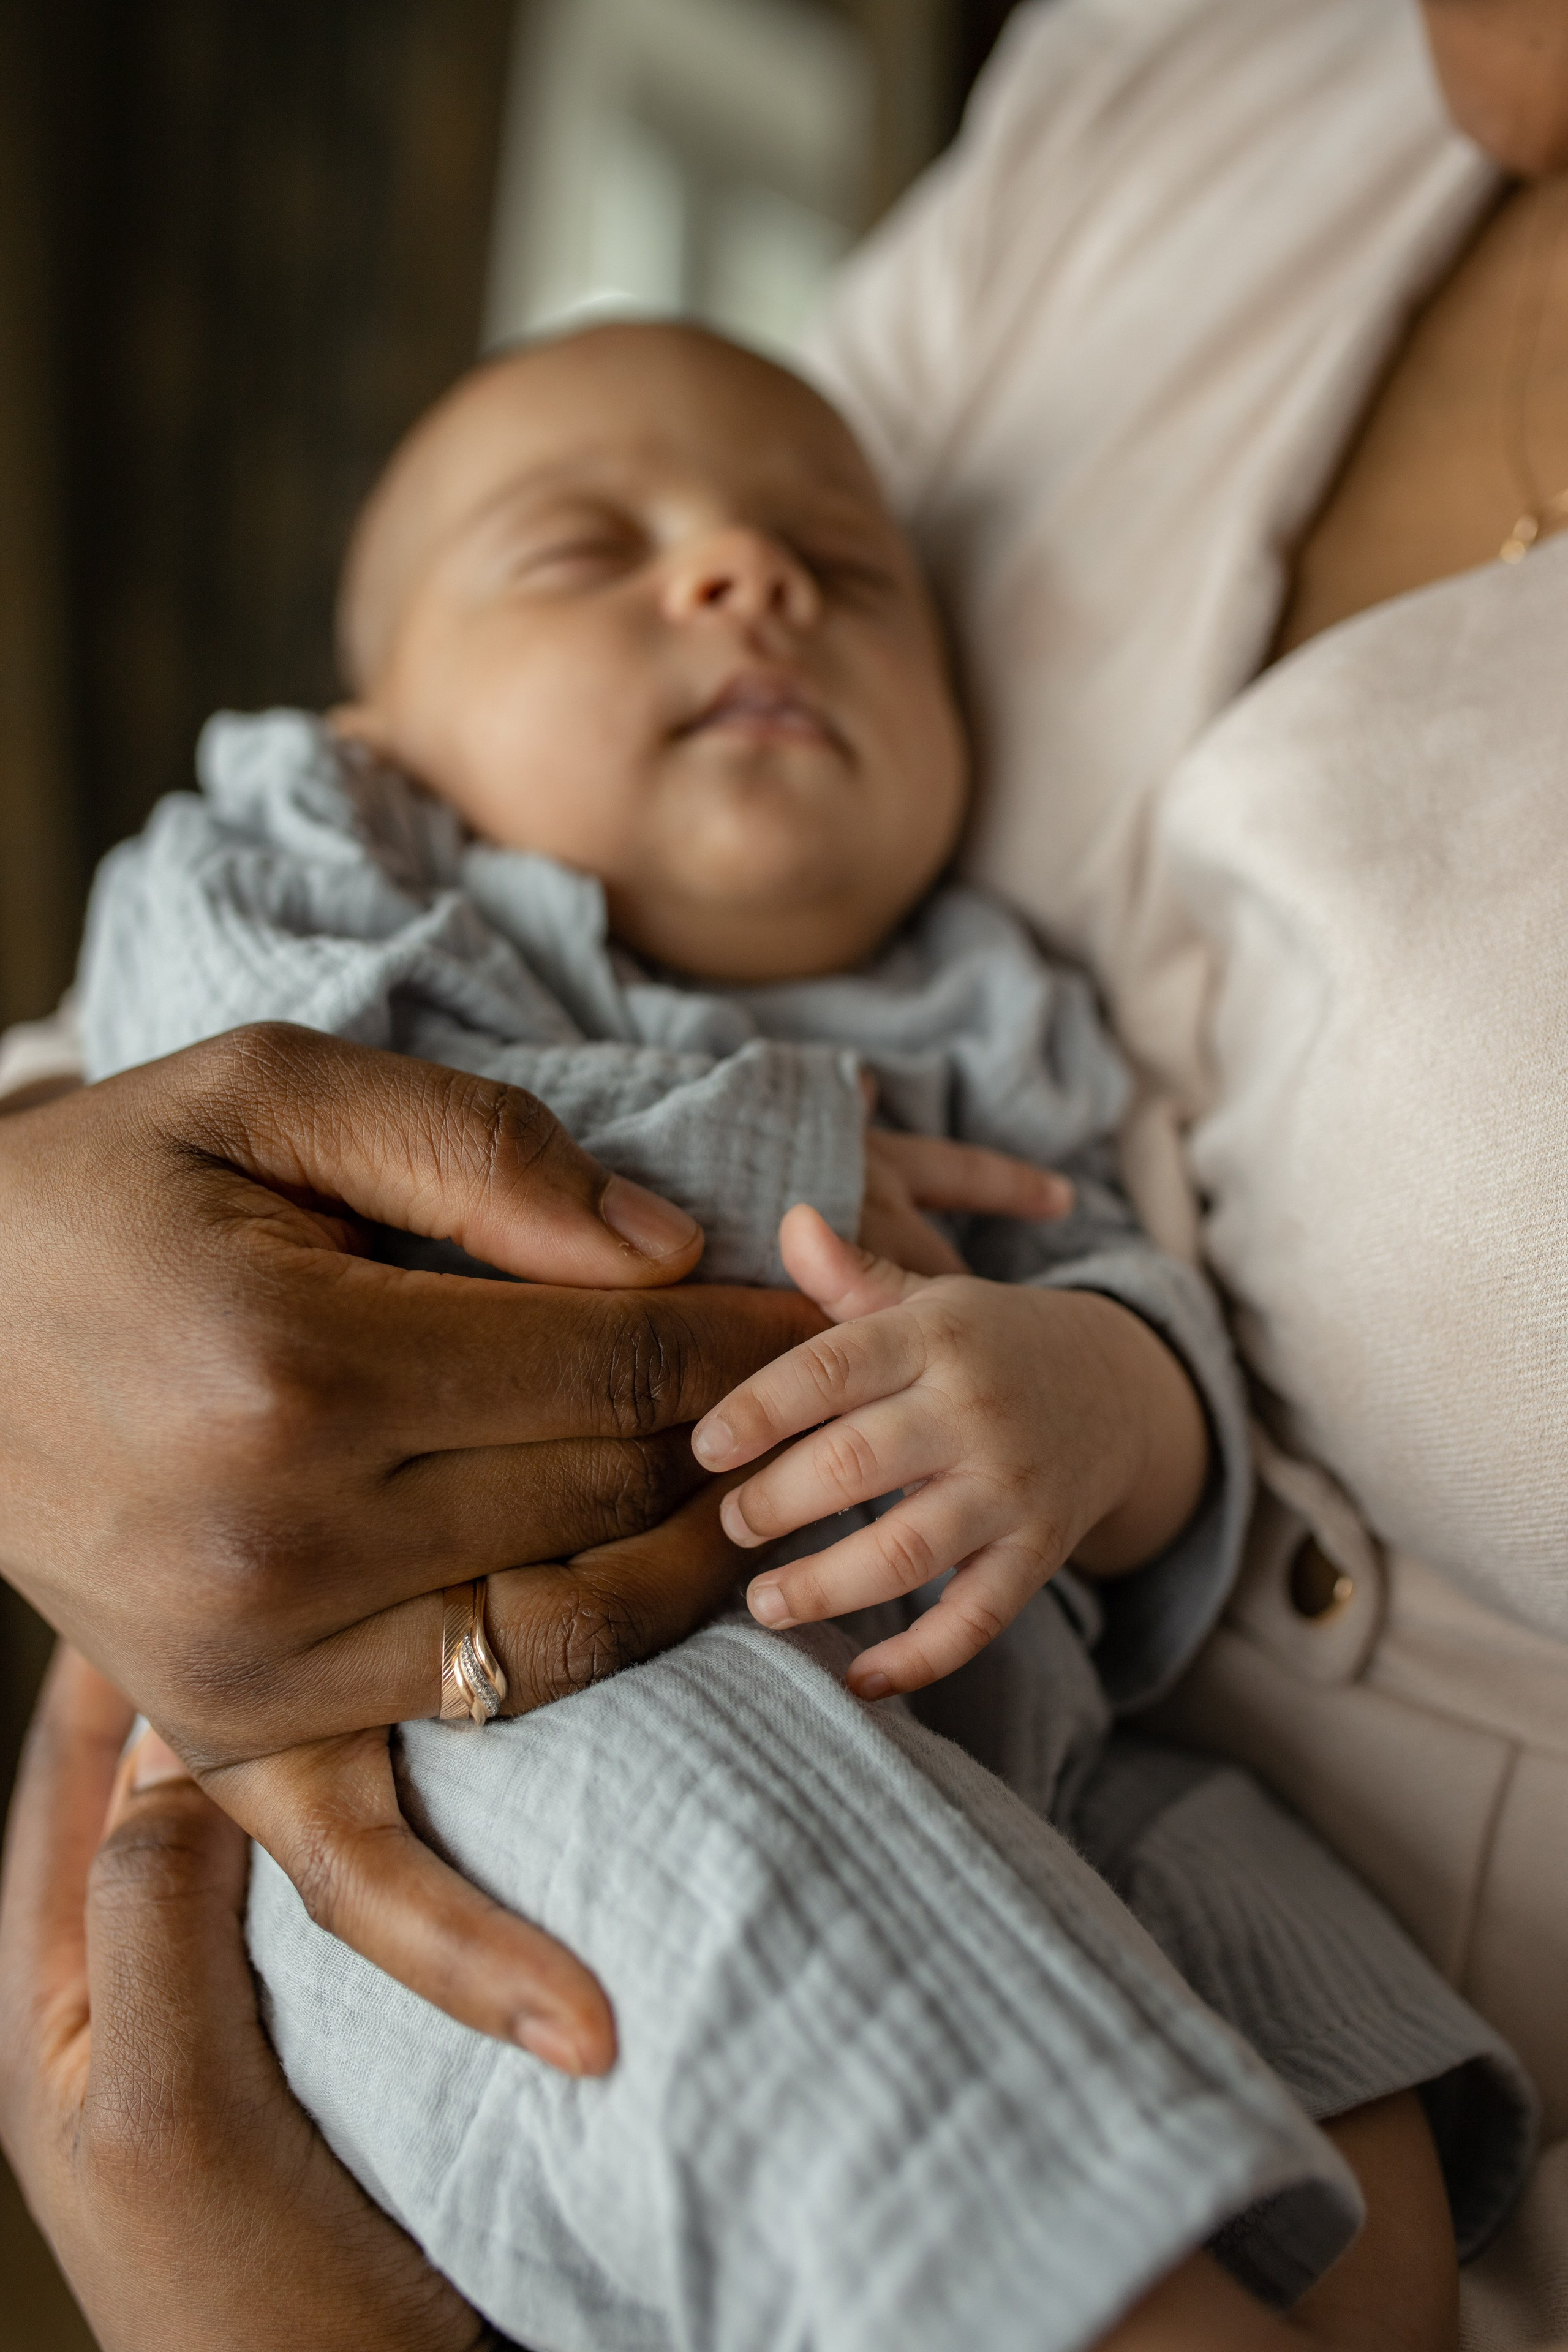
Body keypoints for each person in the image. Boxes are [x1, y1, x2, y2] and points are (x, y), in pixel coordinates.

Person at [2, 0, 1566, 2342]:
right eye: (584, 554)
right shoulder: (317, 861)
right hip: (537, 1671)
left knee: (1338, 2050)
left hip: (1039, 1746)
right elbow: (149, 1106)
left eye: (847, 561)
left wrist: (1086, 1401)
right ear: (377, 742)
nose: (746, 568)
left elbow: (1138, 1315)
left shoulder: (991, 999)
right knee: (712, 1861)